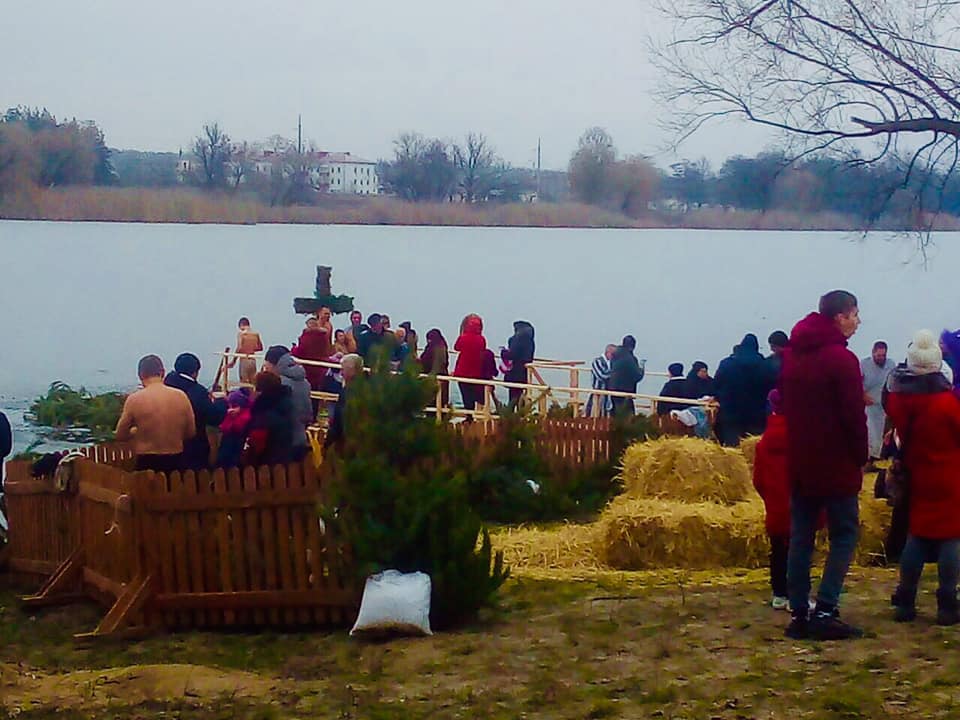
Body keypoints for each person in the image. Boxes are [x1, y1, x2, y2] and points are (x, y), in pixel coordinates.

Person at [782, 290, 867, 640]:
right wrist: (861, 456)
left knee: (801, 536)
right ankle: (827, 608)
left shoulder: (793, 356)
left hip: (801, 459)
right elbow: (853, 416)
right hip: (835, 461)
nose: (858, 321)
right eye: (855, 314)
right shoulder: (841, 361)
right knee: (845, 534)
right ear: (840, 317)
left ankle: (799, 612)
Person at [886, 330, 960, 625]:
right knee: (951, 537)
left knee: (916, 535)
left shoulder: (899, 400)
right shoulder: (946, 404)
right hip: (948, 472)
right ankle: (947, 603)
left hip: (917, 472)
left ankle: (905, 599)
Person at [115, 355, 195, 473]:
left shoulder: (135, 399)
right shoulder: (181, 396)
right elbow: (190, 433)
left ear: (140, 375)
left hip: (147, 460)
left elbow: (120, 435)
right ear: (162, 372)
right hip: (177, 460)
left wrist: (136, 431)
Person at [163, 352, 228, 470]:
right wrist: (222, 401)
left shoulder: (166, 385)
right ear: (195, 372)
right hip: (192, 448)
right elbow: (214, 417)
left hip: (165, 446)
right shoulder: (196, 391)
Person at [714, 334, 776, 446]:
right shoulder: (766, 365)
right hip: (757, 414)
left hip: (731, 412)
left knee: (733, 449)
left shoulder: (727, 364)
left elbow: (716, 385)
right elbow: (772, 387)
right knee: (755, 447)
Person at [263, 345, 313, 461]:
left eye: (267, 365)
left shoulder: (278, 384)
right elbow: (308, 415)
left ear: (275, 364)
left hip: (282, 441)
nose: (266, 368)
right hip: (300, 438)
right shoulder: (304, 382)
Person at [245, 371, 295, 466]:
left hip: (267, 460)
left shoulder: (263, 410)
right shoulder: (285, 403)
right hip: (284, 456)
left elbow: (257, 441)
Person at [861, 340, 895, 466]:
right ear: (873, 353)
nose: (881, 358)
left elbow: (893, 383)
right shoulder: (864, 365)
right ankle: (869, 462)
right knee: (871, 434)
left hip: (884, 406)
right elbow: (856, 382)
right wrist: (863, 395)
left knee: (883, 436)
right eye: (878, 355)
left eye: (883, 356)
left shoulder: (890, 364)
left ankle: (880, 459)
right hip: (869, 406)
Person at [324, 353, 364, 452]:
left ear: (352, 371)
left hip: (348, 443)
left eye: (343, 369)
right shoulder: (368, 388)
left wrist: (328, 443)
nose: (341, 373)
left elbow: (340, 419)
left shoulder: (348, 392)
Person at [292, 316, 331, 413]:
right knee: (317, 392)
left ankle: (307, 413)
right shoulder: (324, 336)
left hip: (308, 368)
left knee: (308, 392)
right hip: (321, 367)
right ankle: (316, 413)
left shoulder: (306, 336)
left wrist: (293, 350)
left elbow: (301, 351)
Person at [454, 314, 488, 418]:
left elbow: (456, 347)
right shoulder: (481, 339)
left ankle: (469, 416)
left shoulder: (463, 337)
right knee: (472, 393)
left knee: (466, 394)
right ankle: (472, 413)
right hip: (475, 371)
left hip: (462, 371)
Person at [608, 336, 645, 416]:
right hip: (625, 391)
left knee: (615, 412)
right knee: (627, 415)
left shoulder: (615, 355)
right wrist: (642, 367)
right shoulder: (629, 358)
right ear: (633, 346)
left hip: (613, 389)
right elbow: (637, 376)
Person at [502, 321, 536, 407]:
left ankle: (510, 415)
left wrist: (504, 353)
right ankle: (521, 414)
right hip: (524, 372)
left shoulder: (517, 340)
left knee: (513, 397)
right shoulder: (530, 341)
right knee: (521, 395)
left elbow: (513, 354)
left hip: (515, 372)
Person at [216, 389, 252, 469]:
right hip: (227, 447)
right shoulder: (231, 416)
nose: (230, 409)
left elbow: (237, 427)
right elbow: (223, 427)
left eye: (234, 406)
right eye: (229, 406)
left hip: (237, 449)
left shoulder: (246, 417)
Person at [420, 328, 450, 409]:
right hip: (443, 376)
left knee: (431, 402)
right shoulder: (443, 346)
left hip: (431, 377)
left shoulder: (431, 347)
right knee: (440, 401)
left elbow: (425, 361)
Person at [586, 344, 617, 417]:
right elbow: (602, 375)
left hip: (609, 395)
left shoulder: (613, 363)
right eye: (613, 354)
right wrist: (615, 373)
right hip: (598, 394)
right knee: (595, 417)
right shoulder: (597, 361)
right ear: (608, 352)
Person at [230, 317, 263, 385]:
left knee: (244, 383)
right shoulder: (255, 334)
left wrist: (233, 361)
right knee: (253, 383)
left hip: (244, 360)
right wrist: (251, 348)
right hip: (253, 360)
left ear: (241, 325)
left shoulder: (241, 334)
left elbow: (239, 347)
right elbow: (260, 348)